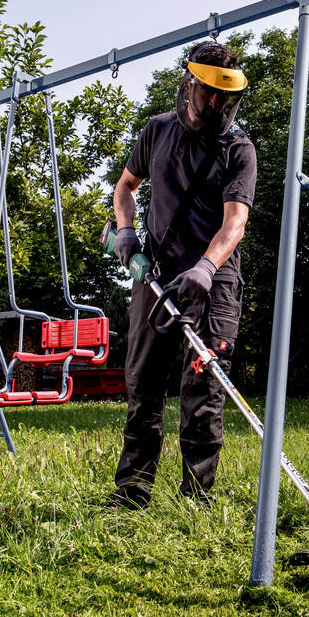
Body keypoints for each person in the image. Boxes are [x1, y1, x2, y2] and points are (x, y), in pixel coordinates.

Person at [109, 41, 257, 509]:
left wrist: (207, 267)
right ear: (189, 84)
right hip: (156, 277)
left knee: (204, 389)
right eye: (208, 92)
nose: (216, 103)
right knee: (143, 385)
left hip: (213, 282)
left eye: (225, 97)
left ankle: (196, 500)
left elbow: (235, 222)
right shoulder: (156, 131)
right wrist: (126, 230)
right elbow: (125, 187)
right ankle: (131, 493)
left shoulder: (238, 149)